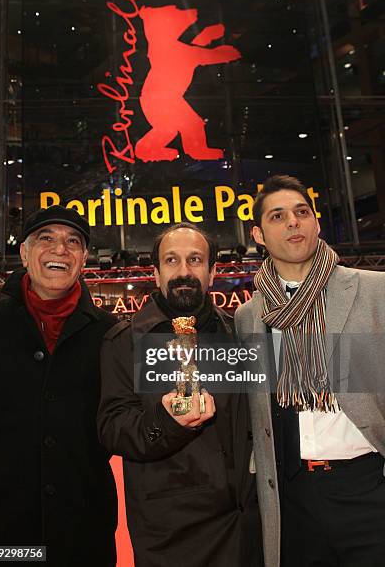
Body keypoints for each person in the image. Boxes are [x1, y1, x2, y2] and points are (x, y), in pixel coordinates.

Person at [235, 175, 385, 567]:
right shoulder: (250, 316)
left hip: (368, 487)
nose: (293, 223)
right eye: (278, 216)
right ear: (259, 234)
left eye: (302, 212)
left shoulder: (374, 291)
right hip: (292, 497)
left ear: (316, 223)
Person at [98, 223, 263, 567]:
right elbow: (113, 429)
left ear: (212, 271)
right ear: (156, 273)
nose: (184, 271)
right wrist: (168, 422)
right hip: (173, 535)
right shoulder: (126, 342)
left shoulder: (239, 334)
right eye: (172, 261)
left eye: (195, 260)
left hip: (247, 528)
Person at [0, 205, 117, 566]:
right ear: (24, 253)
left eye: (73, 241)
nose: (60, 249)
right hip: (0, 534)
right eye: (46, 239)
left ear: (84, 259)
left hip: (83, 531)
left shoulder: (112, 333)